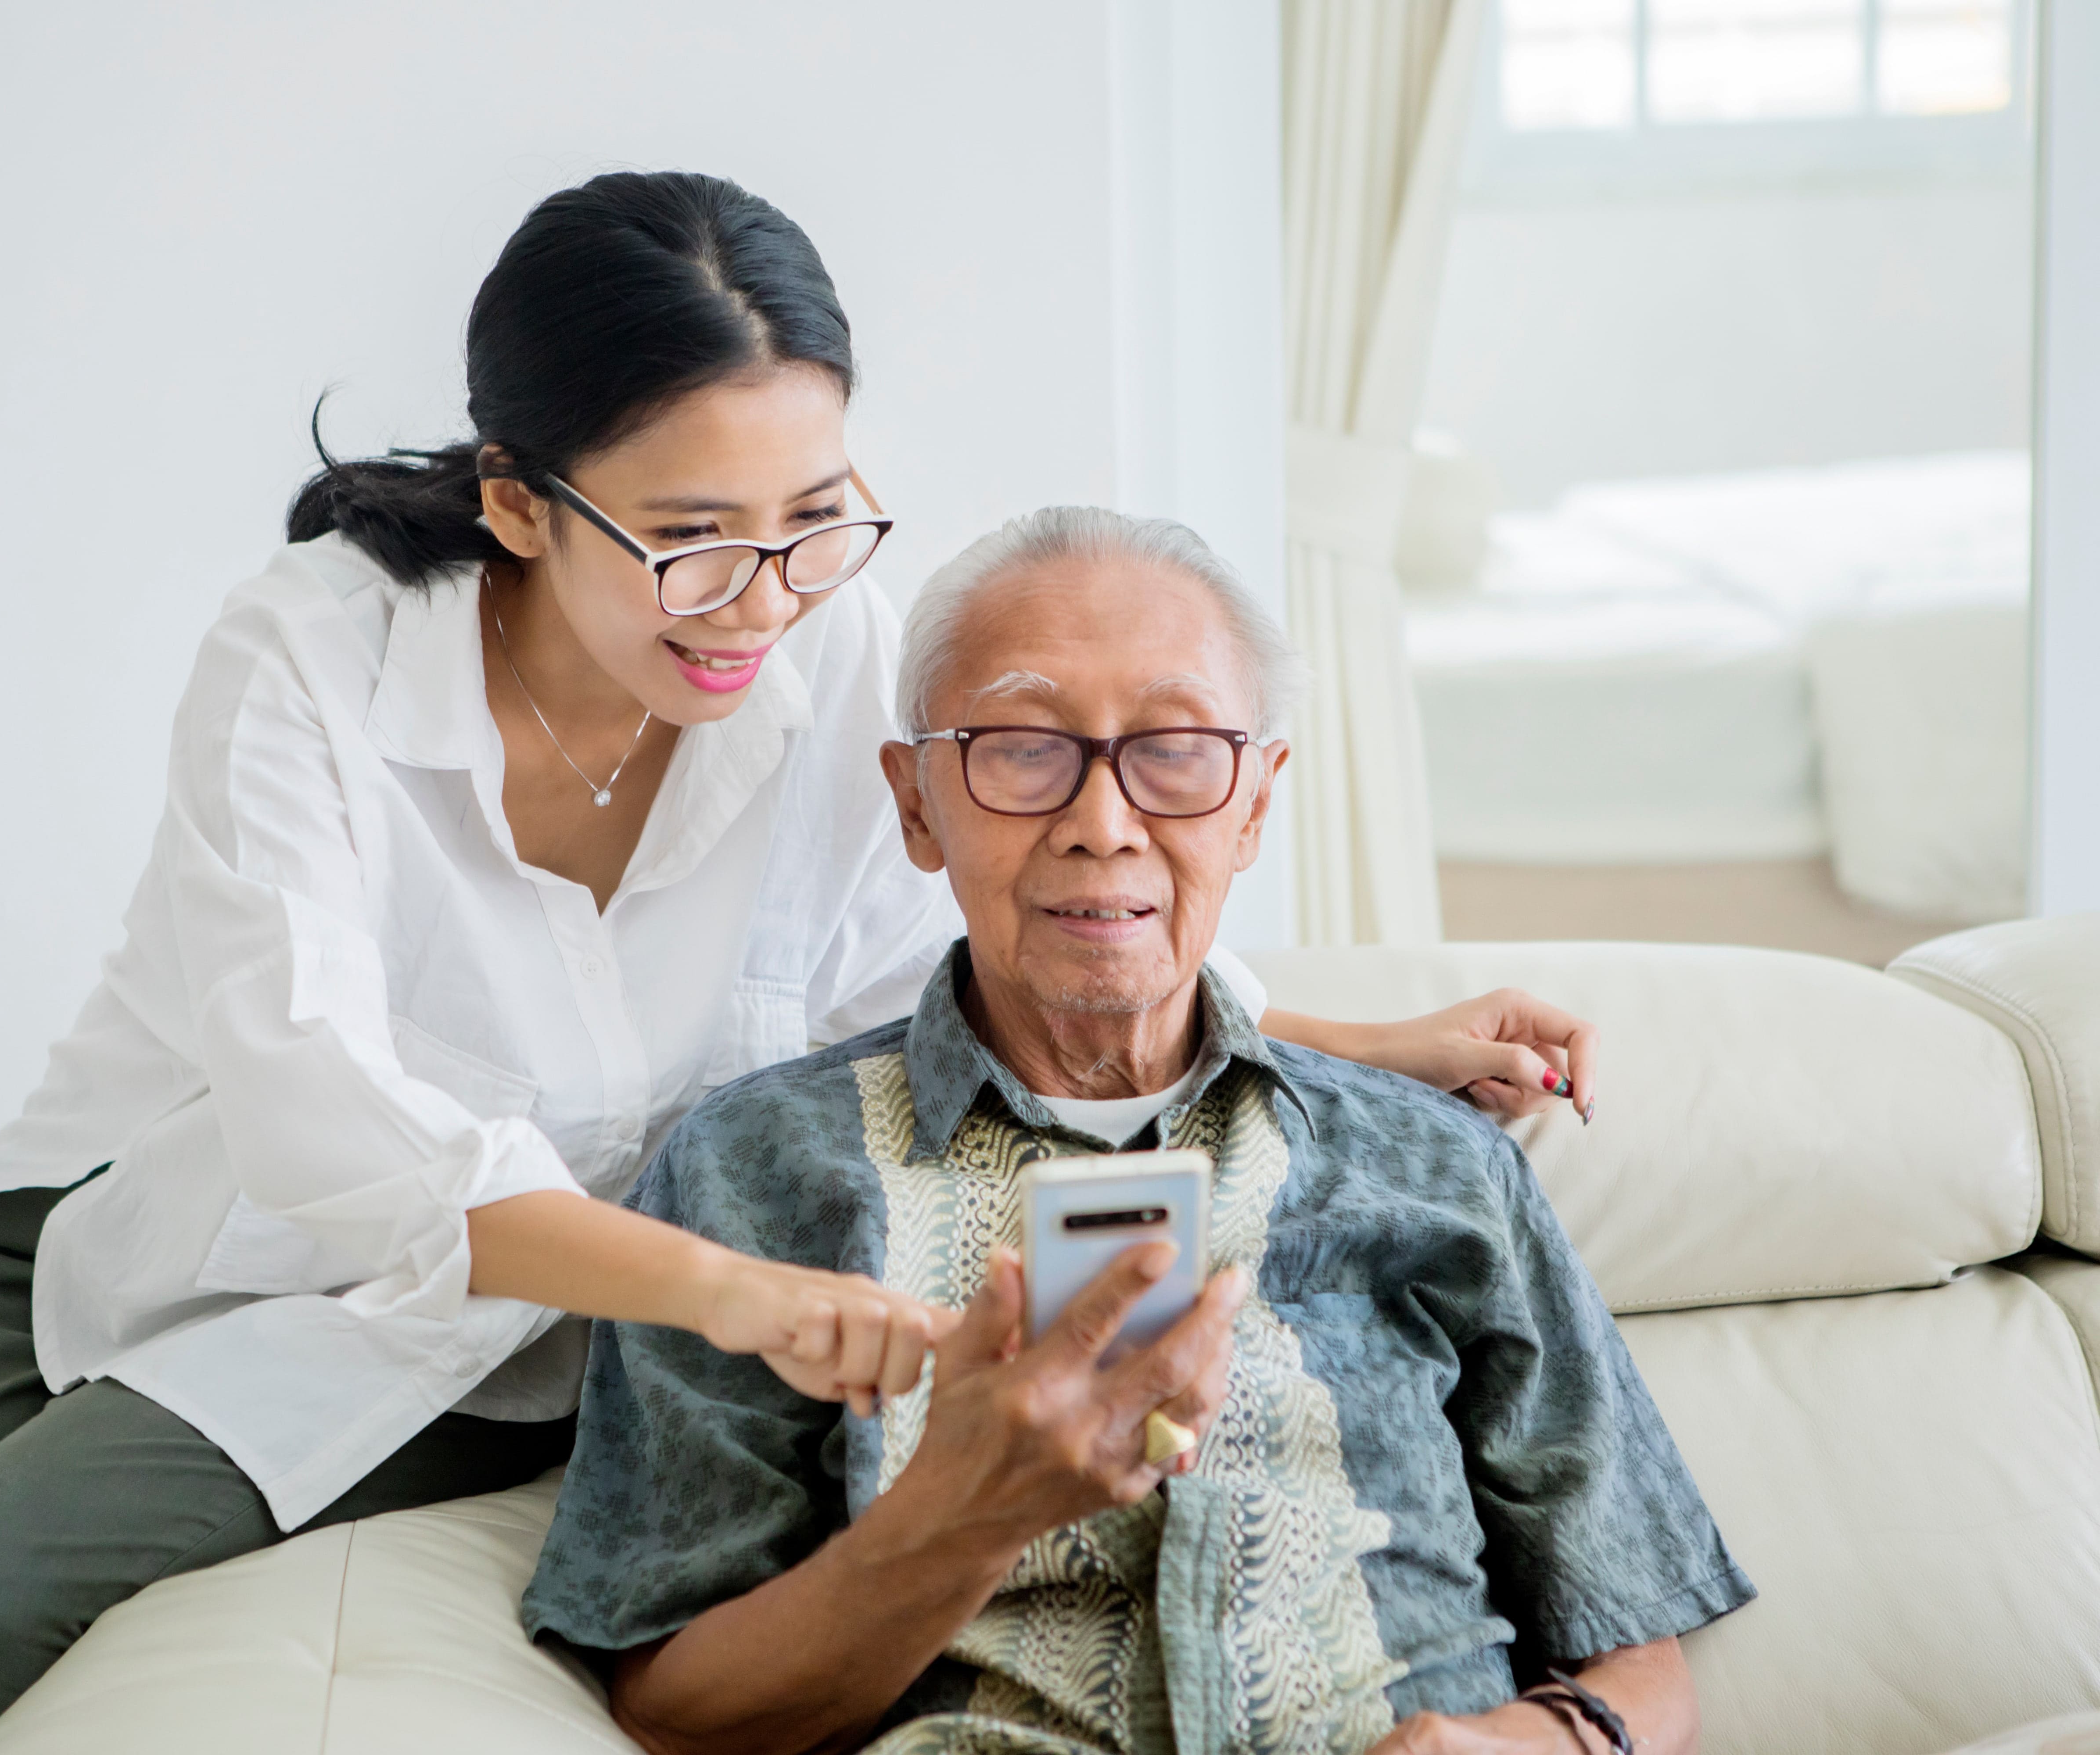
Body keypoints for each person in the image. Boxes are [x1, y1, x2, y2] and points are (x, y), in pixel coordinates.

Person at [0, 173, 1604, 1755]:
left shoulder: (825, 641)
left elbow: (955, 943)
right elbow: (327, 1126)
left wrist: (1358, 1041)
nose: (768, 600)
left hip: (517, 1304)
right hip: (168, 1205)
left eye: (812, 519)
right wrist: (730, 1293)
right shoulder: (305, 661)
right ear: (520, 498)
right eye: (694, 539)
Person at [522, 507, 1752, 1755]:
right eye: (1019, 747)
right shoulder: (751, 1175)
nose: (1103, 823)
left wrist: (1529, 1749)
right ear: (917, 805)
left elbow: (1637, 1647)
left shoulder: (1437, 1164)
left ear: (1257, 803)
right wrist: (955, 1514)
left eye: (1174, 751)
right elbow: (676, 1709)